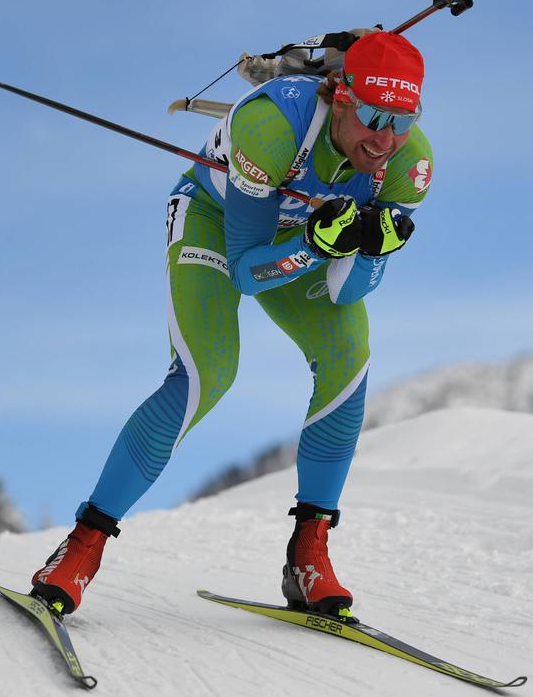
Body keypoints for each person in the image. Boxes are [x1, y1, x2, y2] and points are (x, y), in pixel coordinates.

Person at [30, 32, 433, 618]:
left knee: (349, 359)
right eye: (373, 116)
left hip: (299, 238)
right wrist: (319, 245)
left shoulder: (409, 162)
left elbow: (350, 293)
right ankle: (82, 546)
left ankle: (309, 552)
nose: (386, 139)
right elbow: (247, 271)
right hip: (217, 223)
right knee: (207, 374)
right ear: (341, 96)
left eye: (403, 119)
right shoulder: (271, 125)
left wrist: (369, 251)